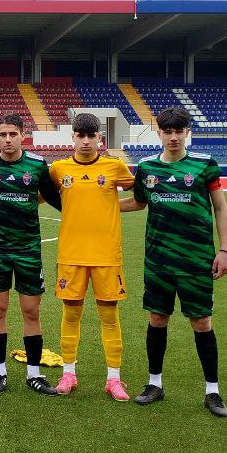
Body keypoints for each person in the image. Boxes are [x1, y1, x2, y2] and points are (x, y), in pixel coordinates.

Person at [120, 107, 227, 417]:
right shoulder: (147, 167)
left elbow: (220, 208)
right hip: (159, 260)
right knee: (157, 319)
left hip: (197, 259)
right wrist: (97, 205)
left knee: (202, 321)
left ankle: (212, 391)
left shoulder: (204, 165)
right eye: (167, 131)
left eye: (178, 131)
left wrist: (225, 250)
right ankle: (154, 384)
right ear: (159, 132)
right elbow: (138, 202)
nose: (173, 137)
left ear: (187, 132)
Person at [49, 112, 135, 400]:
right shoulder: (58, 169)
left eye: (91, 136)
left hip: (106, 255)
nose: (86, 141)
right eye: (80, 136)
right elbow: (41, 196)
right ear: (72, 137)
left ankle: (114, 379)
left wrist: (110, 206)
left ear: (100, 138)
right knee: (71, 314)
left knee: (109, 316)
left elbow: (140, 198)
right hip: (71, 254)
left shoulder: (115, 167)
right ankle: (68, 374)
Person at [0, 114, 61, 394]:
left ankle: (34, 374)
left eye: (13, 134)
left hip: (28, 249)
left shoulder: (37, 165)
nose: (8, 139)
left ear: (23, 135)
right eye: (2, 134)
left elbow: (57, 201)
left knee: (31, 311)